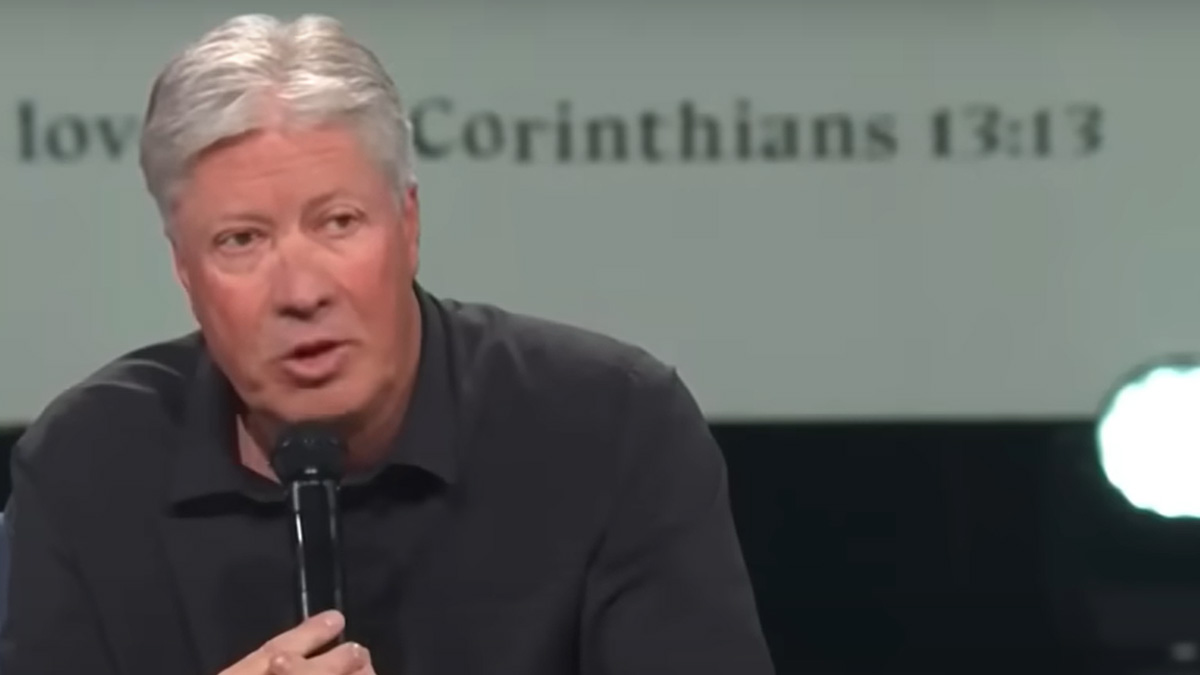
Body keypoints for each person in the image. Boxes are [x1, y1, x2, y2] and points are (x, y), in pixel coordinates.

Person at [0, 13, 774, 675]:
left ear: (408, 224)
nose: (301, 291)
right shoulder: (84, 469)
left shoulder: (612, 429)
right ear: (183, 269)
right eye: (241, 239)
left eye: (338, 222)